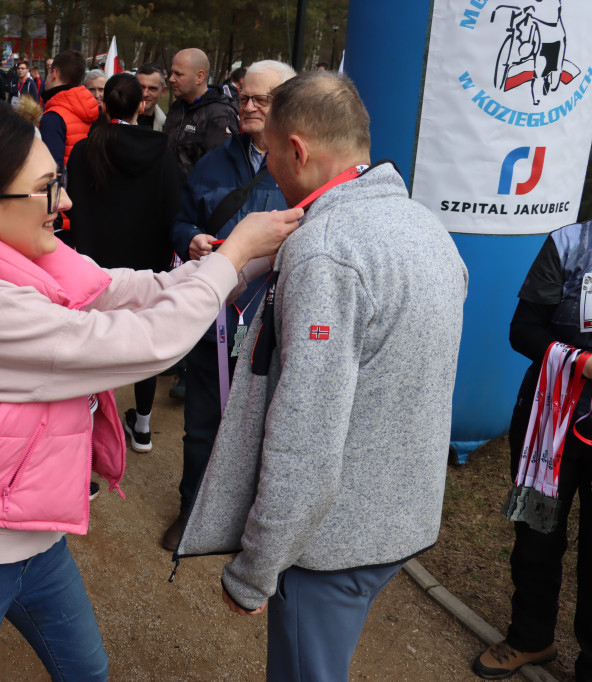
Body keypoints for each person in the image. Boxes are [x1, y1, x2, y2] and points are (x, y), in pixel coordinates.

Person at [0, 105, 303, 681]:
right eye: (45, 189)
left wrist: (258, 254)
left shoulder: (27, 257)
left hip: (33, 538)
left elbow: (134, 290)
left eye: (56, 181)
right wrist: (232, 255)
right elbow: (146, 340)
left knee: (87, 673)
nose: (65, 202)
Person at [177, 71, 468, 681]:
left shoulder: (328, 249)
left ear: (298, 150)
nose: (270, 172)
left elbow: (305, 431)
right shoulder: (426, 229)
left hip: (328, 542)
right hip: (400, 516)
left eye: (271, 154)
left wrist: (254, 570)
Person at [161, 60, 294, 551]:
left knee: (268, 424)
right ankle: (192, 511)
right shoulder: (215, 161)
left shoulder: (303, 165)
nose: (249, 107)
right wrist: (191, 237)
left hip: (276, 319)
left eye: (263, 99)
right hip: (214, 315)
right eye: (244, 98)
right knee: (202, 420)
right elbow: (180, 220)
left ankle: (254, 524)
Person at [471, 223, 592, 681]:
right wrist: (582, 363)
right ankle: (529, 637)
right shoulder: (568, 244)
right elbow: (523, 330)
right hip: (547, 424)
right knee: (534, 535)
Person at [66, 73, 182, 453]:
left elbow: (75, 207)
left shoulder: (85, 149)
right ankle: (143, 426)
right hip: (145, 264)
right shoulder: (161, 152)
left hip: (94, 263)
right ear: (142, 106)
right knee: (144, 340)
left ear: (104, 105)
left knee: (91, 341)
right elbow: (171, 210)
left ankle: (87, 424)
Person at [163, 48, 239, 178]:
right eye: (171, 73)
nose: (171, 79)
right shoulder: (177, 107)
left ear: (199, 77)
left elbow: (221, 173)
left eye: (178, 74)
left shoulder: (220, 115)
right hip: (168, 194)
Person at [38, 50, 98, 170]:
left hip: (63, 186)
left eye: (48, 73)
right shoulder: (93, 109)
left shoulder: (53, 116)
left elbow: (52, 168)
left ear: (54, 74)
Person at [135, 63, 167, 131]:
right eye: (141, 87)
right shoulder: (117, 121)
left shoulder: (168, 126)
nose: (144, 94)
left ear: (163, 91)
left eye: (152, 88)